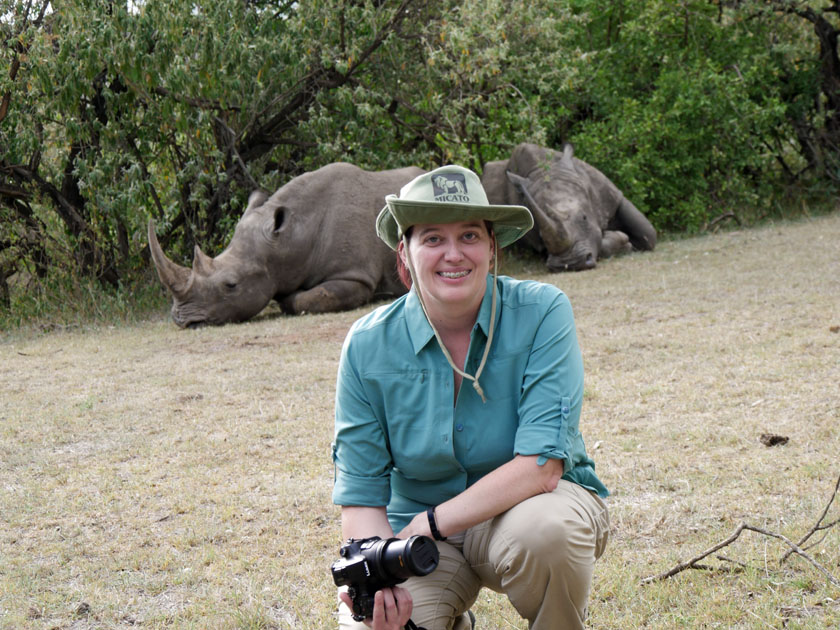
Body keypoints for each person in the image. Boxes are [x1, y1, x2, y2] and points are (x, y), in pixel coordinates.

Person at [332, 164, 609, 630]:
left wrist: (432, 523)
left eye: (469, 236)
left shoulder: (543, 312)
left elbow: (542, 466)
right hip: (418, 542)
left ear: (492, 247)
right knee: (374, 625)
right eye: (433, 238)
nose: (454, 254)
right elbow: (361, 496)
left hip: (527, 510)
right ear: (405, 251)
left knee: (548, 534)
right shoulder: (366, 345)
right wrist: (378, 577)